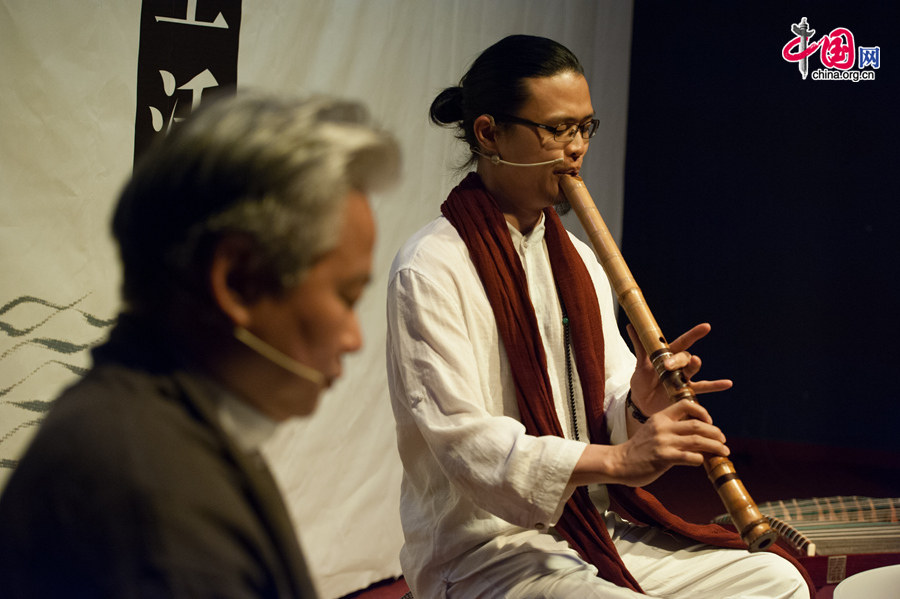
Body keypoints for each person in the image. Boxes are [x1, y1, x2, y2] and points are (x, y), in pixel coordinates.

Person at [386, 35, 811, 598]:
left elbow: (605, 406)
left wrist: (639, 405)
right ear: (488, 133)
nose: (576, 148)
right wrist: (621, 456)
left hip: (588, 530)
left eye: (585, 127)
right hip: (484, 553)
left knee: (772, 580)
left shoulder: (580, 260)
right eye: (557, 129)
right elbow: (468, 445)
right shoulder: (430, 268)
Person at [0, 93, 400, 598]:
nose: (354, 339)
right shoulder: (152, 502)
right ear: (235, 280)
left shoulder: (158, 427)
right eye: (345, 297)